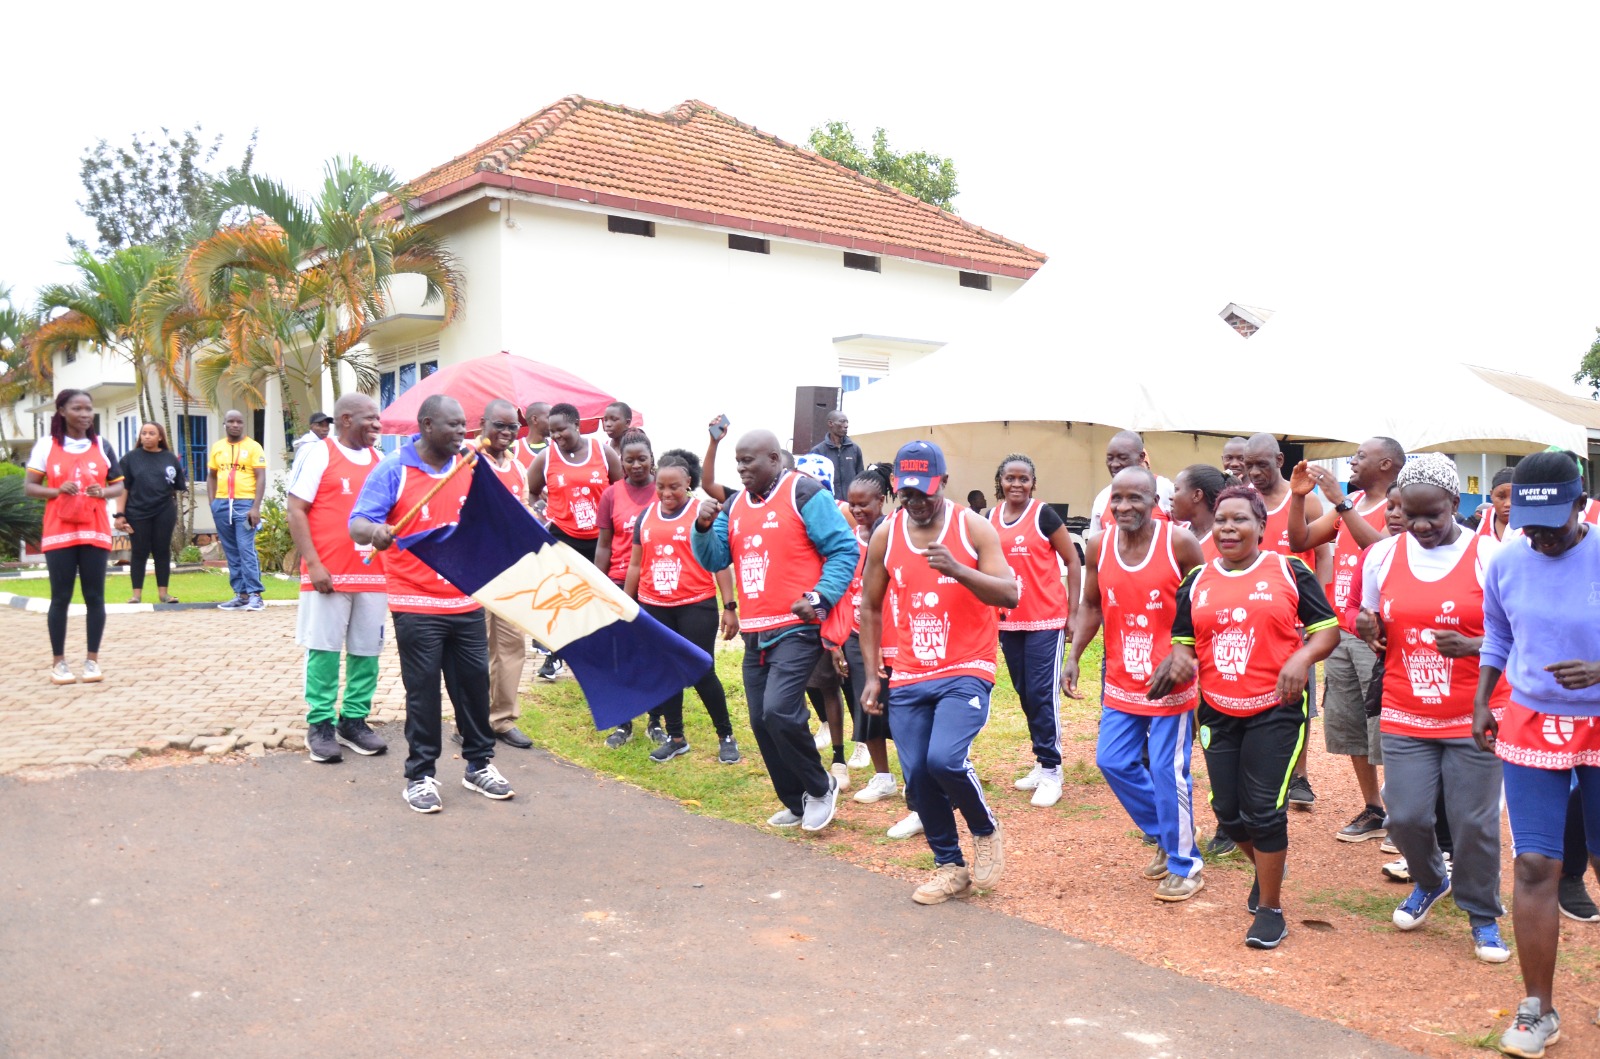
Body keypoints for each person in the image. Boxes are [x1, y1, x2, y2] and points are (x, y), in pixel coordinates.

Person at [1148, 484, 1340, 949]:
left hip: (1276, 709)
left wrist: (1302, 659)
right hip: (1217, 709)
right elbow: (1183, 639)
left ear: (1260, 526)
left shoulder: (1289, 570)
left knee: (1264, 811)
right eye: (1222, 521)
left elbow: (1327, 631)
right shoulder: (1196, 580)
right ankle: (1268, 865)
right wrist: (1178, 659)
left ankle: (1271, 908)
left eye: (1240, 520)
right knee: (1229, 815)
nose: (1229, 528)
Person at [1356, 453, 1510, 965]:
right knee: (1404, 815)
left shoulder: (1490, 555)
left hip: (1476, 711)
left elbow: (1518, 634)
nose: (1420, 526)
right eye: (1409, 514)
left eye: (1434, 516)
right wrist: (1366, 625)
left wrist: (1472, 646)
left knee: (1473, 823)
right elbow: (1372, 614)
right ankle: (1429, 879)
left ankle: (1483, 915)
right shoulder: (1381, 557)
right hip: (1406, 706)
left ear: (1455, 504)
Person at [1473, 450, 1600, 1058]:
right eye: (1530, 524)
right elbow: (1498, 632)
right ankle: (1537, 1009)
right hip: (1530, 720)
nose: (1540, 538)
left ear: (1581, 505)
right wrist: (1481, 700)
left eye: (1552, 524)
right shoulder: (1506, 559)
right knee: (1533, 866)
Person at [858, 441, 1018, 905]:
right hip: (909, 672)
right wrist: (873, 674)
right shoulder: (886, 535)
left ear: (943, 484)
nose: (917, 503)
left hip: (967, 666)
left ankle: (985, 829)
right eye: (907, 495)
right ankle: (949, 867)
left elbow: (1008, 594)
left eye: (925, 493)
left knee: (943, 760)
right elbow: (869, 608)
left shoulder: (972, 528)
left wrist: (957, 568)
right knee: (918, 778)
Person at [350, 394, 513, 814]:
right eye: (453, 425)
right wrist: (378, 531)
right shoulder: (394, 470)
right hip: (415, 601)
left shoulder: (469, 465)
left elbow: (493, 516)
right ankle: (420, 775)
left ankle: (479, 765)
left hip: (465, 599)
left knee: (474, 688)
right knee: (423, 693)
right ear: (425, 425)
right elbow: (357, 522)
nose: (463, 432)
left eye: (465, 425)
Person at [692, 429, 858, 833]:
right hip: (755, 631)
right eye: (738, 461)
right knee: (761, 721)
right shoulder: (734, 506)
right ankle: (797, 800)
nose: (741, 468)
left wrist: (820, 597)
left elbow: (844, 549)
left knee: (780, 710)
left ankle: (821, 788)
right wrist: (701, 527)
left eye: (749, 461)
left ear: (773, 458)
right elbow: (715, 557)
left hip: (796, 627)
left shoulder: (803, 493)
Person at [1065, 468, 1208, 901]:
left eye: (1135, 499)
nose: (1125, 507)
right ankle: (1169, 831)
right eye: (1117, 499)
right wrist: (1073, 656)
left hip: (1171, 682)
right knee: (1112, 761)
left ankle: (1187, 864)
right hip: (1122, 679)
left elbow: (1207, 604)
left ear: (1156, 503)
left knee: (1168, 770)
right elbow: (1091, 604)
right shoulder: (1099, 544)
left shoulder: (1178, 543)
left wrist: (1187, 656)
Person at [1286, 438, 1404, 842]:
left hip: (1378, 636)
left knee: (1385, 727)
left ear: (1386, 464)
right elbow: (1300, 541)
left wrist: (1341, 503)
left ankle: (1405, 815)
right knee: (1350, 722)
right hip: (1342, 629)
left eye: (1361, 457)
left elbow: (1384, 550)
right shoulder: (1347, 503)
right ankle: (1375, 809)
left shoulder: (1398, 504)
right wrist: (1299, 499)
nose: (1353, 462)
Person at [285, 393, 390, 763]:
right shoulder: (319, 454)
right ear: (345, 419)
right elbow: (295, 509)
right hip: (328, 572)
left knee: (367, 651)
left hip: (373, 574)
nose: (378, 425)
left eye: (379, 419)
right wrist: (313, 564)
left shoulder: (380, 460)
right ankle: (321, 724)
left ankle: (354, 721)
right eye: (370, 418)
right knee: (325, 650)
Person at [624, 449, 742, 765]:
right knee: (666, 672)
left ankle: (726, 735)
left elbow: (720, 564)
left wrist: (729, 606)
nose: (666, 493)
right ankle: (676, 738)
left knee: (702, 671)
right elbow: (636, 564)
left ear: (688, 483)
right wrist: (627, 603)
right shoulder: (645, 517)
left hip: (695, 606)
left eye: (674, 486)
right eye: (661, 487)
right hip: (654, 606)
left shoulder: (700, 515)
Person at [988, 453, 1084, 808]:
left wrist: (1072, 614)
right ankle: (1041, 760)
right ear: (1000, 480)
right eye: (1010, 478)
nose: (1017, 484)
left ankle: (1053, 770)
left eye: (1023, 479)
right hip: (1009, 620)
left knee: (1042, 695)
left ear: (1033, 483)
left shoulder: (1043, 514)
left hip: (1046, 619)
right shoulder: (990, 518)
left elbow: (1073, 560)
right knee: (1025, 693)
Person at [1241, 432, 1329, 810]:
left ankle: (1301, 775)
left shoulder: (1306, 499)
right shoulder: (1242, 500)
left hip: (1295, 620)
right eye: (1249, 466)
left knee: (1298, 698)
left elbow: (1324, 553)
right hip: (1252, 616)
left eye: (1262, 464)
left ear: (1279, 461)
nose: (1255, 472)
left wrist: (1318, 607)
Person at [24, 389, 124, 685]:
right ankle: (59, 664)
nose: (84, 414)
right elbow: (30, 487)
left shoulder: (103, 445)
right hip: (59, 532)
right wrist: (56, 490)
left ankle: (92, 661)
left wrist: (103, 492)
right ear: (62, 411)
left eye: (88, 409)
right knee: (61, 597)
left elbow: (118, 486)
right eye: (77, 408)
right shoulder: (46, 446)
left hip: (95, 530)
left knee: (95, 596)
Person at [527, 401, 622, 681]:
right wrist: (543, 511)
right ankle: (555, 658)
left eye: (561, 431)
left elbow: (620, 492)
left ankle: (602, 657)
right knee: (563, 598)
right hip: (562, 535)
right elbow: (532, 492)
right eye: (551, 432)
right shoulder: (546, 458)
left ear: (577, 425)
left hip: (600, 539)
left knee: (599, 596)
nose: (556, 437)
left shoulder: (603, 454)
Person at [825, 466, 901, 804]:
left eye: (864, 505)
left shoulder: (897, 536)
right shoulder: (847, 542)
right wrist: (835, 640)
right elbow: (840, 591)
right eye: (852, 505)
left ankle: (917, 775)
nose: (857, 511)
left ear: (881, 501)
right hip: (857, 635)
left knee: (903, 710)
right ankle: (883, 777)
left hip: (898, 637)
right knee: (867, 705)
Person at [470, 400, 536, 749]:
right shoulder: (466, 460)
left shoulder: (517, 468)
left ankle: (502, 720)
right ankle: (470, 720)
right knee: (473, 649)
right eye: (500, 425)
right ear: (482, 423)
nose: (507, 434)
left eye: (513, 428)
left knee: (510, 647)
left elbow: (521, 513)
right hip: (472, 569)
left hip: (509, 569)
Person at [596, 428, 668, 748]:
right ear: (621, 462)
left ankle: (656, 720)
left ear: (652, 459)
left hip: (655, 584)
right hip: (616, 582)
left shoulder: (664, 491)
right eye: (630, 460)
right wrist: (597, 585)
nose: (636, 465)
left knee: (654, 654)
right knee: (620, 656)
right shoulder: (611, 494)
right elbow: (603, 545)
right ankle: (623, 722)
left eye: (642, 459)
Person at [793, 453, 852, 787]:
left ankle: (840, 758)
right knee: (804, 683)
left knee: (831, 684)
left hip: (827, 607)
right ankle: (815, 744)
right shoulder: (792, 511)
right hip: (796, 608)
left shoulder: (836, 510)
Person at [115, 422, 186, 605]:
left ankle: (164, 594)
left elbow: (177, 486)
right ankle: (136, 595)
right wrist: (120, 515)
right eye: (144, 433)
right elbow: (123, 488)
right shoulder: (130, 459)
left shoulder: (169, 458)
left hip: (164, 511)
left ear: (160, 437)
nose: (146, 436)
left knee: (162, 551)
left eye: (151, 433)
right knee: (139, 552)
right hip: (137, 512)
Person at [208, 409, 268, 612]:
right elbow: (212, 475)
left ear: (243, 425)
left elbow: (261, 477)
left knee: (245, 547)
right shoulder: (217, 447)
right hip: (222, 504)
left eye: (239, 422)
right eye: (231, 421)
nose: (235, 425)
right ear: (224, 424)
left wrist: (255, 507)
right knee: (231, 550)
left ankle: (255, 595)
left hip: (245, 504)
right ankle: (240, 595)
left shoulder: (253, 447)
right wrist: (213, 502)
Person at [1089, 430, 1174, 529]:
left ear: (1141, 457)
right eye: (1110, 458)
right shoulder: (1102, 498)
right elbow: (1097, 542)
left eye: (1123, 458)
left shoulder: (1164, 488)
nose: (1114, 464)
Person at [1170, 463, 1233, 564]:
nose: (1171, 497)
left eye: (1176, 490)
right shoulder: (1175, 534)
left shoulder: (1226, 538)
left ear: (1197, 495)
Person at [808, 410, 863, 501]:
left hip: (851, 505)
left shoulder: (855, 449)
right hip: (828, 504)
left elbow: (861, 478)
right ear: (830, 423)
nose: (846, 425)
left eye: (847, 422)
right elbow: (811, 483)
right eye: (842, 421)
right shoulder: (817, 451)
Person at [1477, 468, 1517, 542]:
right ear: (1491, 495)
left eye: (1514, 497)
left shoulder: (1533, 527)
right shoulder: (1477, 522)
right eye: (1501, 497)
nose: (1508, 504)